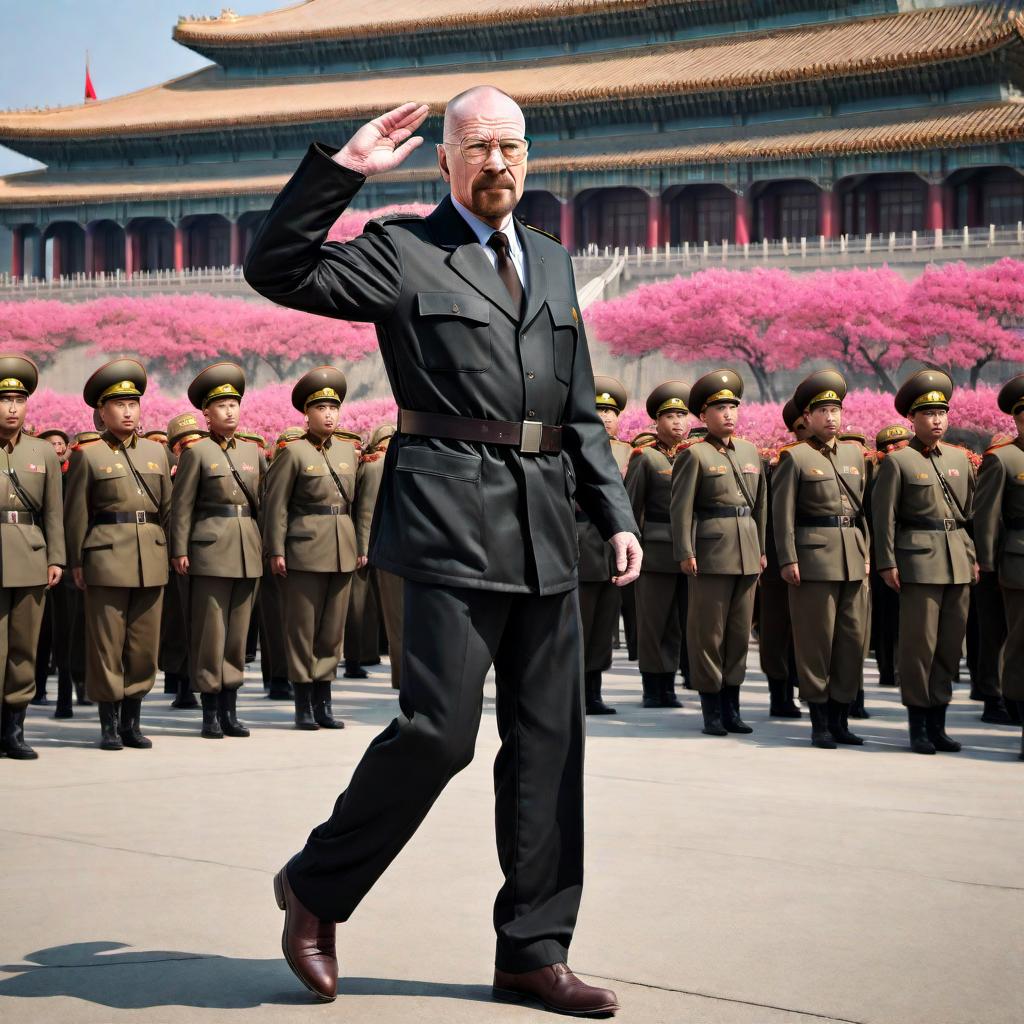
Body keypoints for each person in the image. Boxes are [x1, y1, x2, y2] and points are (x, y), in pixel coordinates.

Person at [244, 88, 639, 1013]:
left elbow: (576, 410)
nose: (496, 163)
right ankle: (315, 889)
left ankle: (532, 951)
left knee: (550, 747)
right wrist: (343, 173)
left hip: (548, 528)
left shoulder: (549, 261)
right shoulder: (403, 250)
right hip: (447, 520)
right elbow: (277, 268)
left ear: (528, 156)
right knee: (438, 735)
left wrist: (613, 510)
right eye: (477, 148)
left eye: (510, 147)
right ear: (446, 161)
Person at [64, 359, 172, 751]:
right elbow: (76, 513)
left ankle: (132, 721)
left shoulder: (156, 454)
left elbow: (170, 510)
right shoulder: (87, 455)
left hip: (152, 557)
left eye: (133, 404)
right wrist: (76, 561)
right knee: (106, 644)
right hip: (106, 558)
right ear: (101, 411)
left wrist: (171, 553)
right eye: (119, 405)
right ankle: (108, 723)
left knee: (144, 646)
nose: (128, 411)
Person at [872, 368, 978, 755]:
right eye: (928, 414)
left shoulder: (960, 459)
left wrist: (974, 557)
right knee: (920, 646)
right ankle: (918, 724)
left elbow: (971, 516)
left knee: (950, 647)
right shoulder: (898, 463)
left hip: (958, 561)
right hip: (917, 562)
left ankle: (939, 722)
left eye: (942, 413)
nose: (937, 420)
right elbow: (884, 517)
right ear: (912, 419)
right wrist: (886, 562)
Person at [772, 370, 870, 749]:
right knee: (816, 641)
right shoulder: (794, 457)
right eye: (823, 411)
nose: (831, 417)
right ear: (807, 417)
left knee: (851, 639)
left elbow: (864, 513)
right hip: (812, 560)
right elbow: (783, 515)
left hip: (851, 556)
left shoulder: (853, 454)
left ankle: (841, 717)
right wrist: (788, 558)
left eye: (836, 410)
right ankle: (819, 722)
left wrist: (866, 553)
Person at [262, 367, 361, 731]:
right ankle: (303, 702)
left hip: (342, 548)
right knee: (302, 628)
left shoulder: (349, 453)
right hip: (304, 549)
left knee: (332, 631)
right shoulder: (293, 453)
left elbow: (360, 505)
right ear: (307, 413)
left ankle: (324, 701)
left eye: (334, 408)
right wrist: (276, 549)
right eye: (321, 409)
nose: (330, 415)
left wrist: (361, 546)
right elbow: (277, 505)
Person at [171, 363, 265, 739]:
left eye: (234, 404)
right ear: (206, 414)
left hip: (247, 549)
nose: (230, 411)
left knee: (238, 635)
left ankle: (230, 708)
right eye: (221, 405)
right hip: (209, 551)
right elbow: (182, 507)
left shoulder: (253, 452)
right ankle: (210, 711)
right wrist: (180, 548)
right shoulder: (197, 453)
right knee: (211, 633)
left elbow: (265, 504)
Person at [671, 369, 766, 736]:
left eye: (732, 407)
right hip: (710, 553)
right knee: (709, 634)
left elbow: (761, 507)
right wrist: (685, 550)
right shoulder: (694, 455)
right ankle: (711, 708)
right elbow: (682, 509)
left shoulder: (750, 452)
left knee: (739, 634)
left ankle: (732, 706)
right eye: (719, 408)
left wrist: (760, 549)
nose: (728, 414)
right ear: (704, 416)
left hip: (746, 552)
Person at [0, 357, 65, 760]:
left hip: (30, 556)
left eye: (18, 399)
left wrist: (55, 556)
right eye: (4, 398)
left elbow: (54, 511)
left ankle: (14, 729)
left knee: (25, 647)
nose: (11, 407)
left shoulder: (43, 451)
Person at [967, 373, 1024, 760]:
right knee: (1020, 647)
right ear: (1017, 419)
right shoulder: (1003, 459)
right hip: (1018, 562)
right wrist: (986, 566)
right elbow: (986, 516)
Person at [624, 381, 691, 709]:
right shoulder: (645, 458)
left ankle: (669, 684)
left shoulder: (692, 455)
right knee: (653, 621)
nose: (678, 422)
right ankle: (652, 685)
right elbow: (631, 506)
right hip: (655, 550)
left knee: (677, 622)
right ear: (657, 421)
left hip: (686, 552)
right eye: (670, 416)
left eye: (682, 415)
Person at [576, 375, 632, 715]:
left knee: (604, 624)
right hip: (577, 540)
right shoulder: (571, 447)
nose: (606, 416)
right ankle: (571, 691)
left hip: (611, 547)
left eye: (611, 411)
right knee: (577, 624)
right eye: (598, 409)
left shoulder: (627, 451)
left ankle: (593, 691)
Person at [757, 399, 805, 718]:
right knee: (777, 628)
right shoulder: (778, 464)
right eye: (800, 428)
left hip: (821, 557)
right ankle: (781, 693)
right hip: (778, 559)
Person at [353, 423, 403, 690]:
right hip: (383, 547)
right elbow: (366, 512)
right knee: (389, 615)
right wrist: (365, 548)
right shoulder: (376, 466)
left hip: (399, 548)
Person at [162, 412, 207, 710]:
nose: (189, 445)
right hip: (167, 555)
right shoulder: (164, 470)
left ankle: (191, 683)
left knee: (198, 623)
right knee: (176, 623)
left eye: (194, 439)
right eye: (182, 442)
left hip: (201, 554)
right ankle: (179, 683)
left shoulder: (205, 462)